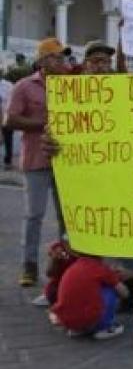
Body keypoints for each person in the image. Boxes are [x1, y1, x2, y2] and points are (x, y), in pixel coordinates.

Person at [5, 38, 70, 287]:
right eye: (55, 57)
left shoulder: (71, 86)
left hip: (65, 160)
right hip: (36, 160)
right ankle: (29, 266)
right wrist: (46, 124)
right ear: (42, 60)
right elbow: (10, 120)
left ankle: (66, 264)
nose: (60, 61)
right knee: (34, 215)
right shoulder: (24, 86)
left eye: (62, 57)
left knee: (67, 217)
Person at [48, 253, 129, 339]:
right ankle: (104, 327)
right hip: (90, 321)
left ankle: (78, 328)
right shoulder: (100, 269)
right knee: (110, 290)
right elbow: (125, 293)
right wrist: (116, 278)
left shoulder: (74, 266)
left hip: (67, 321)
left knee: (85, 291)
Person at [0, 71, 14, 169]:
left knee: (8, 139)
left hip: (6, 116)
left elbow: (13, 99)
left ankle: (8, 160)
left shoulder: (8, 85)